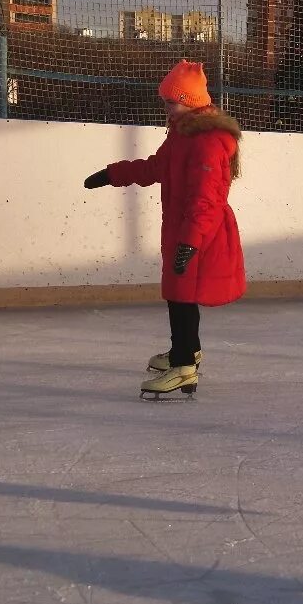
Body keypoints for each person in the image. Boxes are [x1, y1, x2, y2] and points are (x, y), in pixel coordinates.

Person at [85, 60, 246, 399]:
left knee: (182, 296)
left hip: (199, 231)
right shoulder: (183, 134)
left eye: (171, 101)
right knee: (179, 294)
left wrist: (190, 242)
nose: (166, 108)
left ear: (191, 100)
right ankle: (185, 352)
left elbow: (207, 200)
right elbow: (157, 167)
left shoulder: (207, 142)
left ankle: (184, 367)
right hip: (183, 227)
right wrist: (113, 174)